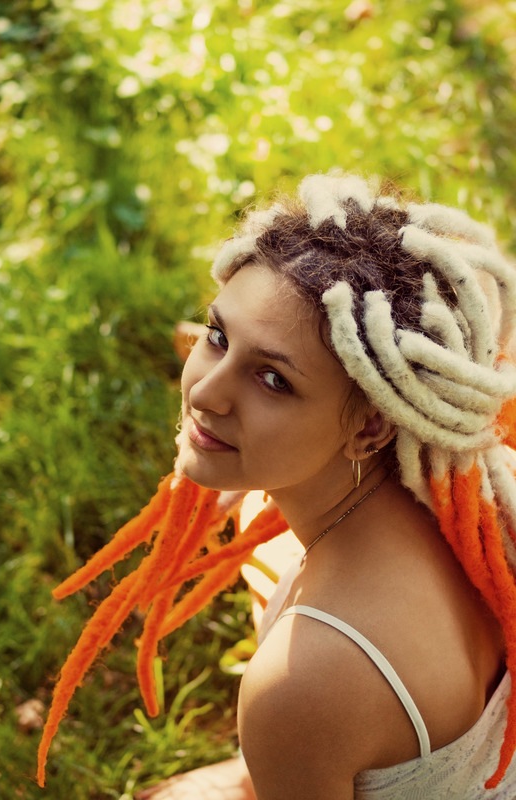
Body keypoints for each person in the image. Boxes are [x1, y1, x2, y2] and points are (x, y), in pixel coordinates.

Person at [37, 173, 516, 799]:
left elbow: (324, 684)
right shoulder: (470, 489)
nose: (205, 394)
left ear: (371, 426)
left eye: (273, 380)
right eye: (217, 337)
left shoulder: (301, 681)